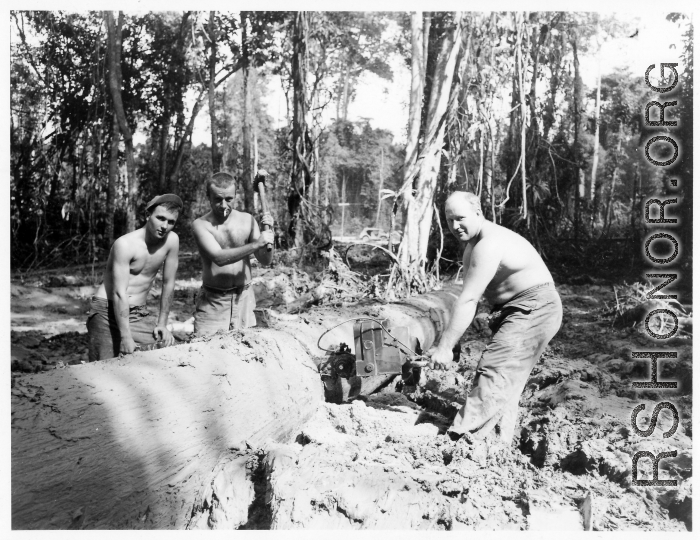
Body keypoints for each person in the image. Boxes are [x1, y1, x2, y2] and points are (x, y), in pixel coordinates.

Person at [426, 191, 562, 444]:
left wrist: (445, 346)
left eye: (461, 218)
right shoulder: (473, 245)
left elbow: (468, 300)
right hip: (517, 308)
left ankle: (463, 441)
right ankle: (497, 443)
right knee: (506, 378)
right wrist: (453, 340)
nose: (455, 226)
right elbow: (474, 295)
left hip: (535, 307)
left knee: (495, 369)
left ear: (478, 212)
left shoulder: (489, 244)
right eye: (449, 220)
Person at [87, 194, 182, 360]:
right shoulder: (125, 244)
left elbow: (168, 284)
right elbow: (119, 293)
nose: (164, 226)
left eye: (171, 222)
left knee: (166, 352)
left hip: (138, 313)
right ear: (147, 215)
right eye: (160, 218)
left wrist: (162, 324)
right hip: (106, 311)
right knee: (104, 369)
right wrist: (125, 336)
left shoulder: (172, 241)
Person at [192, 171, 274, 336]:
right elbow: (219, 258)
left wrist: (270, 231)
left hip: (244, 298)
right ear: (208, 197)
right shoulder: (200, 225)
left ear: (235, 196)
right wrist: (257, 243)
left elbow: (265, 260)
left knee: (246, 354)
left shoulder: (248, 220)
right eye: (217, 199)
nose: (223, 205)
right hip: (214, 303)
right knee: (207, 353)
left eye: (229, 199)